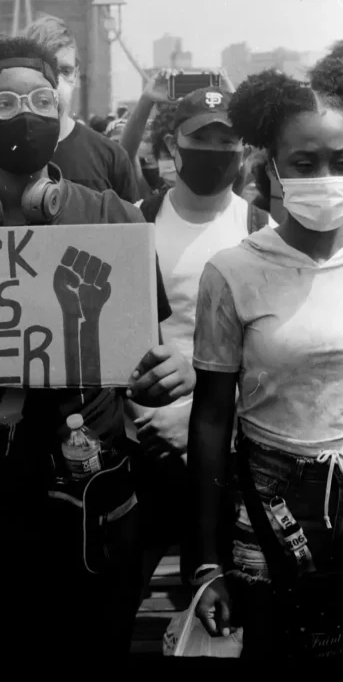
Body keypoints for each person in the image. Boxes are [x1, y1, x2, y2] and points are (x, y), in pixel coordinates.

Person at [0, 36, 192, 665]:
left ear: (59, 114)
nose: (24, 113)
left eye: (39, 98)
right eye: (2, 102)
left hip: (85, 507)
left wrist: (167, 371)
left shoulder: (115, 219)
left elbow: (147, 352)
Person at [188, 63, 343, 665]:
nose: (327, 177)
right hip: (267, 511)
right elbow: (210, 420)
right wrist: (206, 562)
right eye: (305, 164)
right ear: (274, 169)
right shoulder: (232, 271)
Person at [125, 81, 269, 595]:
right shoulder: (136, 222)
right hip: (146, 443)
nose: (214, 152)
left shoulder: (261, 229)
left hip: (225, 451)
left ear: (244, 150)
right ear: (171, 147)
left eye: (226, 142)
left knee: (209, 600)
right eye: (200, 140)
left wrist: (201, 391)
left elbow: (267, 350)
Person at [0, 17, 139, 203]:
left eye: (65, 70)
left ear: (77, 73)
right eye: (44, 71)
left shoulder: (111, 157)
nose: (55, 81)